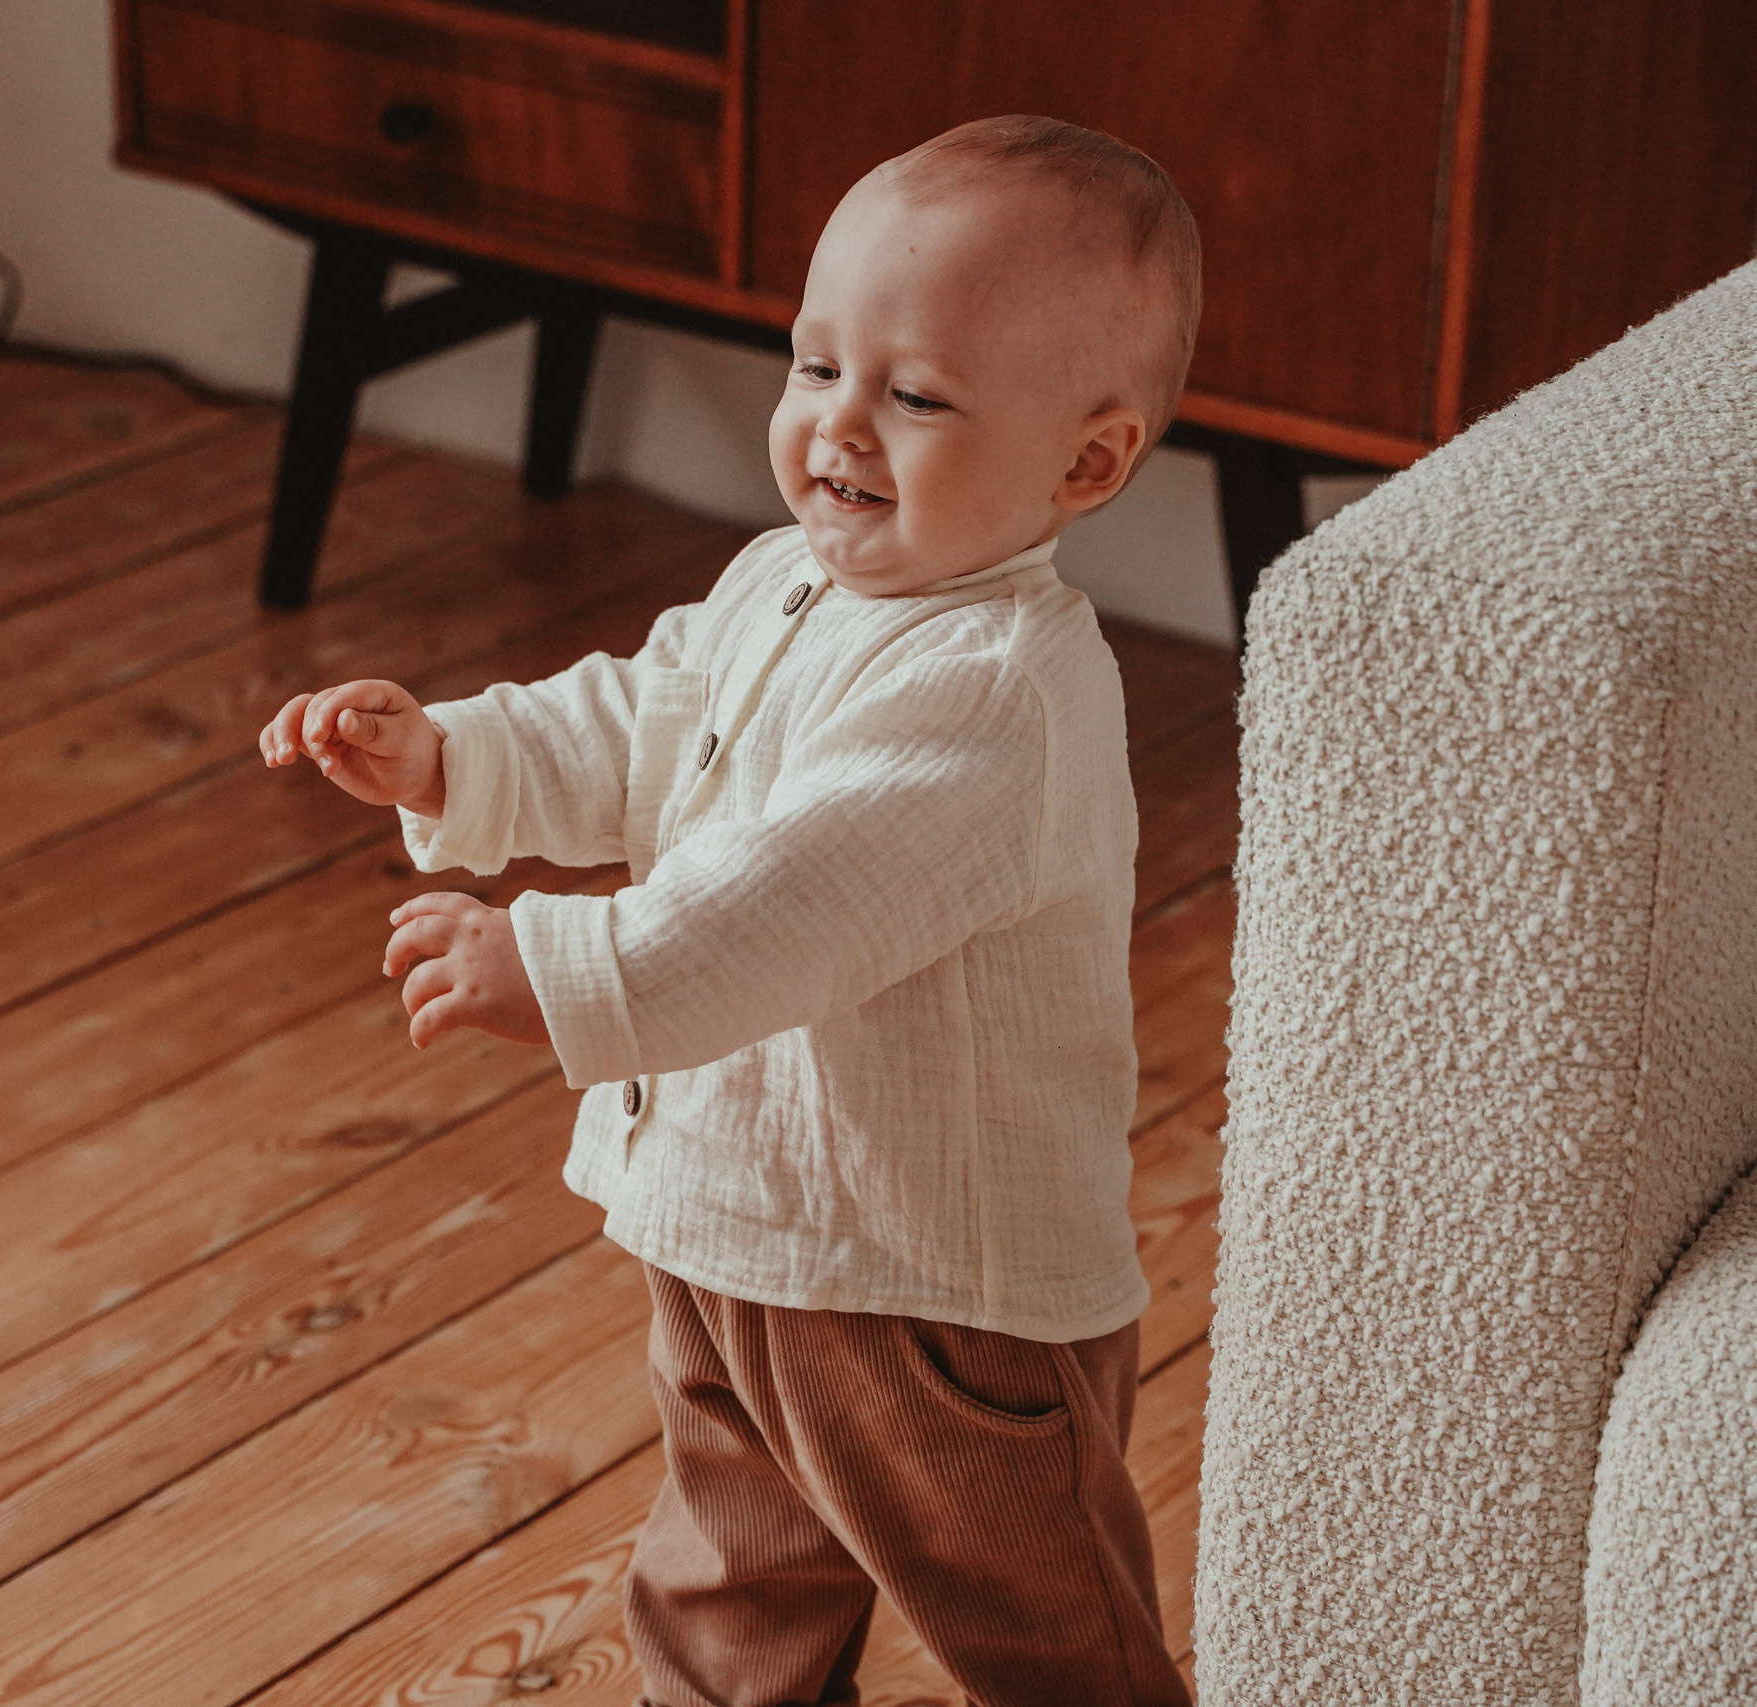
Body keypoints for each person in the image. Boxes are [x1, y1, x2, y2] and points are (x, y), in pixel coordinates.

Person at [260, 114, 1203, 1707]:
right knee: (722, 1586)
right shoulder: (786, 581)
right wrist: (455, 755)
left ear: (1086, 461)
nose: (839, 425)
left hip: (926, 1298)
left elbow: (789, 905)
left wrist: (558, 964)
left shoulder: (994, 695)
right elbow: (640, 723)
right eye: (811, 365)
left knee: (1044, 1635)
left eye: (912, 396)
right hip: (734, 1226)